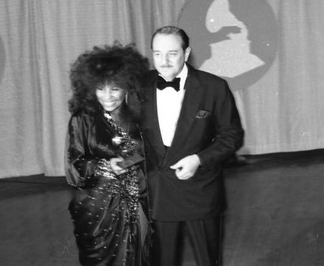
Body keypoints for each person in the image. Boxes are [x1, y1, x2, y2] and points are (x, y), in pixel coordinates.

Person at [138, 26, 244, 266]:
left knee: (208, 260)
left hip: (201, 188)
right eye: (157, 54)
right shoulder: (138, 86)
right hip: (158, 190)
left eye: (172, 53)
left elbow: (231, 136)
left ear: (186, 54)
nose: (163, 61)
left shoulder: (214, 87)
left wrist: (199, 159)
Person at [65, 43, 150, 266]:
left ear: (128, 87)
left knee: (142, 254)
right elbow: (74, 167)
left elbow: (153, 151)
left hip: (139, 197)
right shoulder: (82, 117)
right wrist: (105, 166)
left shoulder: (140, 115)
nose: (108, 96)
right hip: (98, 206)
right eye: (100, 89)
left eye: (115, 89)